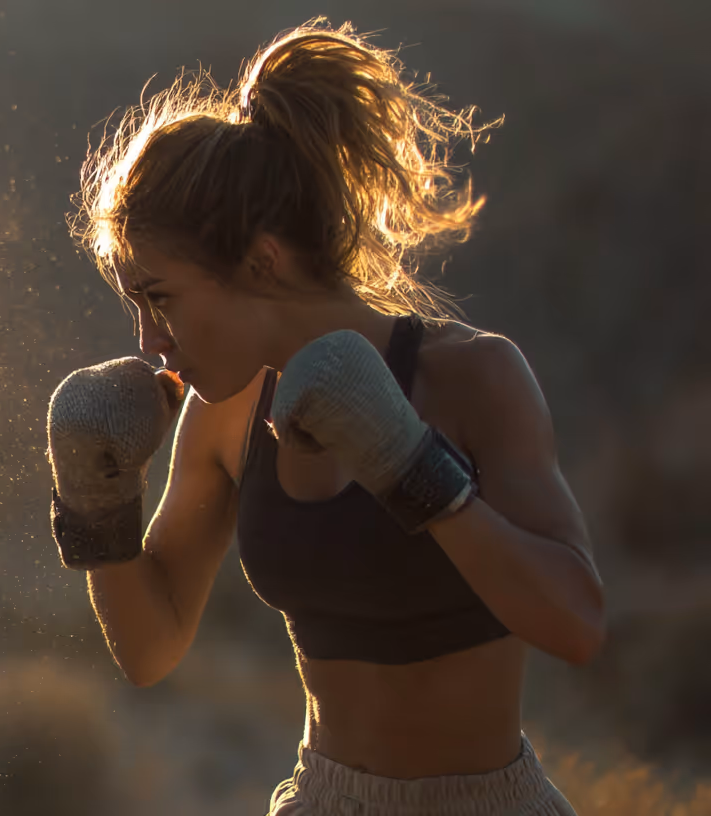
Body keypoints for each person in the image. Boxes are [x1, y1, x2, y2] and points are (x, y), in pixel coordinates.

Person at [45, 19, 605, 815]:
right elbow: (149, 648)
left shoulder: (471, 375)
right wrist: (95, 505)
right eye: (136, 306)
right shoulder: (226, 409)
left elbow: (577, 623)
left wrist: (411, 466)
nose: (149, 343)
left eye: (160, 299)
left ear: (261, 261)